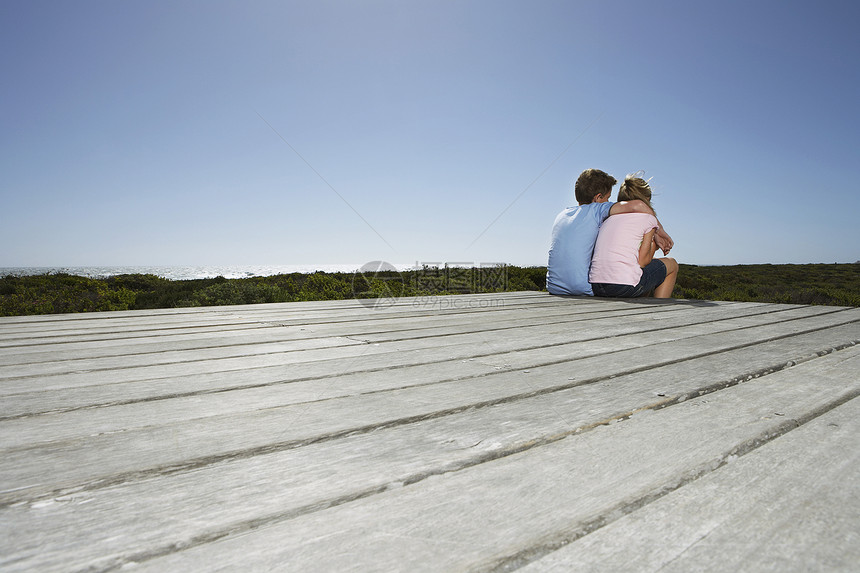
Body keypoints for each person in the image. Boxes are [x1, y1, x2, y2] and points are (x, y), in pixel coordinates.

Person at [546, 168, 673, 296]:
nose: (609, 202)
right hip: (584, 288)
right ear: (598, 198)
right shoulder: (597, 210)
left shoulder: (562, 215)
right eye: (607, 198)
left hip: (554, 287)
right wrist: (658, 230)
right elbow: (639, 205)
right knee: (648, 269)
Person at [588, 172, 678, 298]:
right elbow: (642, 262)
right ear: (646, 199)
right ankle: (660, 309)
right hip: (623, 287)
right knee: (672, 264)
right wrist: (655, 246)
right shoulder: (648, 219)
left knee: (641, 274)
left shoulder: (608, 218)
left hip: (596, 286)